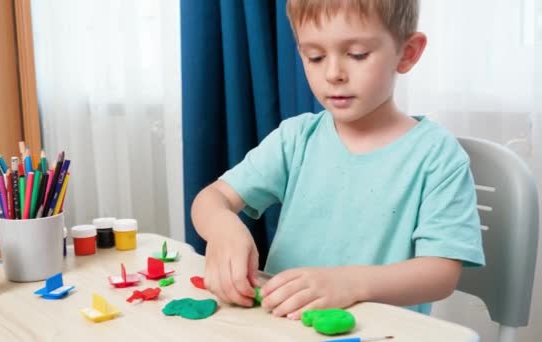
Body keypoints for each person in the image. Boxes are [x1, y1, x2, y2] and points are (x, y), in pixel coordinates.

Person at [190, 0, 485, 320]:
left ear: (408, 52)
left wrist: (351, 283)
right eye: (314, 57)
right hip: (285, 327)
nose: (333, 74)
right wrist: (224, 229)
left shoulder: (436, 154)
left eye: (357, 54)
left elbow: (440, 274)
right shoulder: (295, 138)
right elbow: (211, 199)